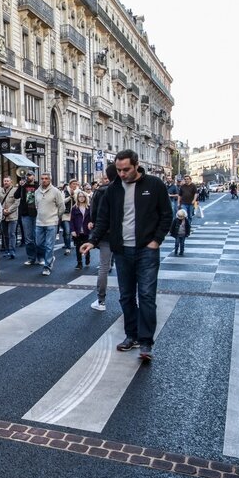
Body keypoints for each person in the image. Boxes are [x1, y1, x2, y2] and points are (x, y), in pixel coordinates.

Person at [80, 149, 172, 362]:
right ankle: (132, 335)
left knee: (147, 296)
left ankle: (146, 341)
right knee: (126, 296)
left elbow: (166, 215)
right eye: (119, 170)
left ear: (137, 165)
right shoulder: (113, 189)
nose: (122, 174)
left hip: (146, 250)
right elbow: (103, 219)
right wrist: (92, 241)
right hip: (122, 250)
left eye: (126, 170)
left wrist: (156, 241)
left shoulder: (154, 185)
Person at [87, 164, 118, 311]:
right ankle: (132, 301)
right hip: (124, 234)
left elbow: (94, 213)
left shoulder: (100, 191)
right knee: (128, 267)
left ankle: (101, 300)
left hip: (105, 234)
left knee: (104, 267)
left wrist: (94, 238)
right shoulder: (127, 189)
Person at [34, 172, 64, 276]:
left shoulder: (56, 191)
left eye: (46, 178)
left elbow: (61, 206)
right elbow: (36, 205)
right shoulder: (37, 191)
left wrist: (56, 217)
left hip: (52, 222)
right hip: (39, 222)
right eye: (42, 178)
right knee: (38, 244)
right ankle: (50, 257)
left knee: (49, 245)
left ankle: (47, 266)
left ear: (50, 180)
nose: (44, 180)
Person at [14, 171, 39, 265]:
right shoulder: (23, 186)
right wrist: (20, 186)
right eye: (27, 176)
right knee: (28, 238)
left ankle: (40, 257)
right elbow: (16, 196)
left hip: (36, 214)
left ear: (34, 176)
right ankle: (31, 258)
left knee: (37, 237)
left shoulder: (38, 186)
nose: (28, 177)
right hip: (26, 214)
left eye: (30, 175)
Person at [0, 177, 19, 260]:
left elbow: (17, 203)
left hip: (12, 216)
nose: (6, 182)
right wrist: (2, 210)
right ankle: (7, 250)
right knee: (5, 234)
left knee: (11, 234)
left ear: (11, 182)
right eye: (5, 181)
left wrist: (8, 210)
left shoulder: (15, 190)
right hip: (3, 216)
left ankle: (12, 251)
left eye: (7, 181)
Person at [70, 191, 91, 270]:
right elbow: (71, 220)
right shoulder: (74, 208)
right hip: (77, 231)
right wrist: (72, 230)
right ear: (77, 198)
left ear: (85, 197)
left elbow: (92, 218)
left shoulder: (89, 207)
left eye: (83, 196)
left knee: (86, 246)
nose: (81, 198)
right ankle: (79, 263)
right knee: (78, 247)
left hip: (86, 231)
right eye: (79, 196)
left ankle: (87, 258)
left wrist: (91, 223)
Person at [60, 179, 79, 256]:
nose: (75, 185)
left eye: (76, 184)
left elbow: (79, 201)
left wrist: (74, 195)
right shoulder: (64, 192)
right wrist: (69, 197)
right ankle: (68, 247)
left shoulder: (78, 191)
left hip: (75, 214)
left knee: (75, 231)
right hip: (66, 214)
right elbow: (62, 202)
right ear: (70, 184)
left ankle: (75, 243)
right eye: (73, 184)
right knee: (67, 231)